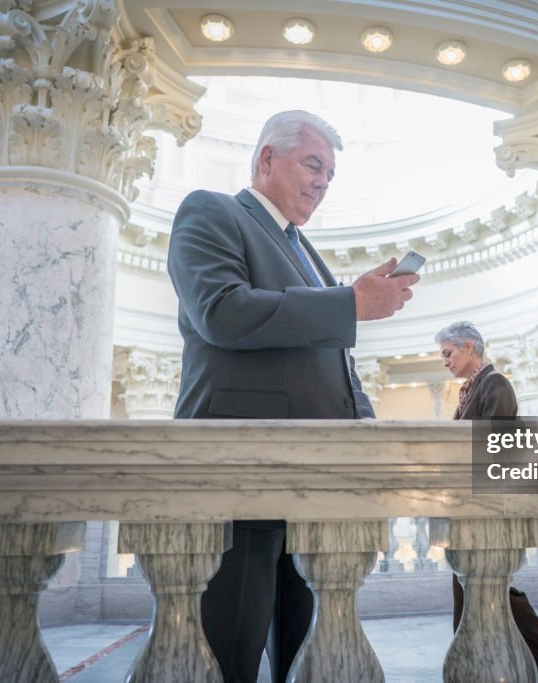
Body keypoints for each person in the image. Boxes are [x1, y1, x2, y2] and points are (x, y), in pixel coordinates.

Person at [168, 110, 419, 683]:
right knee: (226, 653)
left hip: (314, 487)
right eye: (313, 165)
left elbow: (322, 358)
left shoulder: (303, 248)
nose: (322, 183)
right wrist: (348, 303)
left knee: (302, 655)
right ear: (266, 160)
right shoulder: (212, 211)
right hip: (240, 478)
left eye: (330, 174)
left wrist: (366, 426)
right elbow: (222, 313)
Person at [436, 320, 538, 683]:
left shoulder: (495, 384)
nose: (444, 361)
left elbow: (496, 444)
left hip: (488, 505)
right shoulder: (468, 392)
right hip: (469, 505)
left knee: (482, 590)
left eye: (448, 353)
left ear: (469, 347)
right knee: (477, 589)